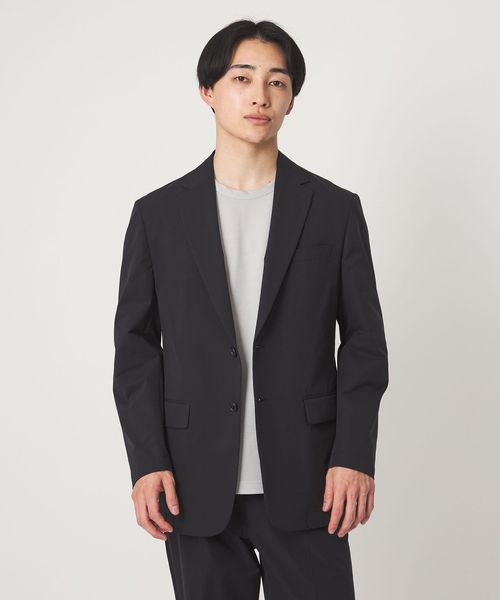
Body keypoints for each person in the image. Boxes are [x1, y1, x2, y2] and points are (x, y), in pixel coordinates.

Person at [113, 18, 389, 600]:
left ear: (291, 99)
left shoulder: (335, 211)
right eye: (242, 78)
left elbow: (365, 342)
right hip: (191, 480)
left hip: (312, 480)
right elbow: (135, 348)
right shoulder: (158, 216)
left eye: (277, 82)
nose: (260, 95)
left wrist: (354, 455)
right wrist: (146, 461)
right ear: (208, 91)